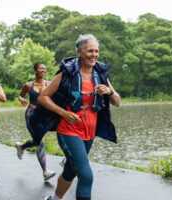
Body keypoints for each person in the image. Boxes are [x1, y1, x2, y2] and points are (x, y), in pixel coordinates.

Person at [40, 34, 121, 200]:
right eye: (90, 50)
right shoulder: (67, 74)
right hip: (68, 131)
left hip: (89, 133)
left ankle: (53, 199)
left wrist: (110, 91)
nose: (94, 54)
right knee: (86, 175)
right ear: (79, 52)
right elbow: (43, 97)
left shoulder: (101, 75)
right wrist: (63, 113)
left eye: (96, 51)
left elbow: (117, 101)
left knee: (71, 170)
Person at [15, 62, 56, 181]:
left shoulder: (49, 84)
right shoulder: (28, 85)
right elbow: (20, 96)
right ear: (35, 71)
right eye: (41, 68)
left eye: (45, 68)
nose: (44, 70)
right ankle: (45, 172)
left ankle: (22, 146)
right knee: (41, 142)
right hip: (31, 114)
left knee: (37, 141)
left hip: (44, 115)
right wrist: (22, 99)